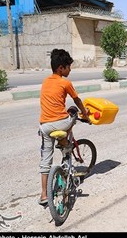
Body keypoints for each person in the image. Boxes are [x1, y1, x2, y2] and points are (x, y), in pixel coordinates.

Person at [38, 49, 91, 206]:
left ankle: (43, 195)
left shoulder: (45, 81)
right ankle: (65, 143)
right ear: (61, 68)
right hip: (61, 123)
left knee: (45, 160)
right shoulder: (65, 82)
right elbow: (77, 100)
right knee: (73, 112)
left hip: (45, 126)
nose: (70, 69)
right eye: (68, 66)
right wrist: (86, 116)